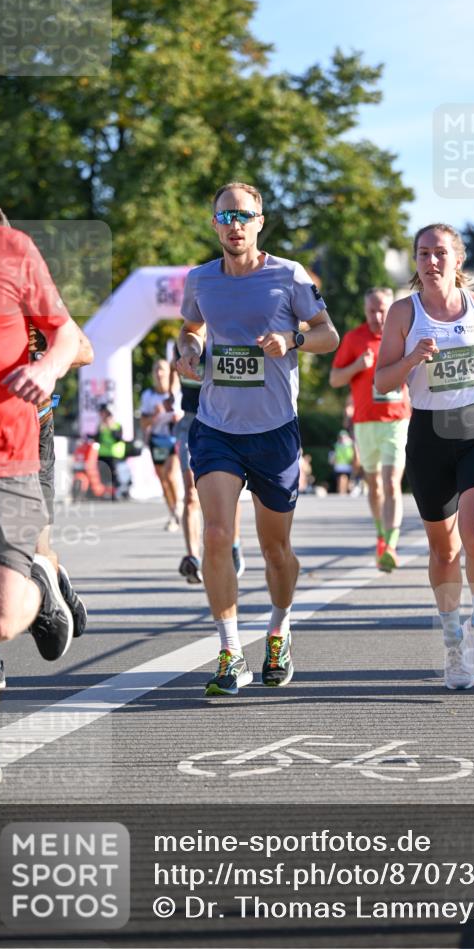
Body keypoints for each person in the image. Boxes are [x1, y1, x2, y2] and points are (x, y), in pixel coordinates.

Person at [177, 181, 338, 696]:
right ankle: (229, 652)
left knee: (276, 550)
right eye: (225, 218)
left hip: (274, 431)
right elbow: (191, 329)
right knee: (218, 535)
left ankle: (279, 629)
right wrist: (188, 349)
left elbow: (328, 335)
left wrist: (292, 339)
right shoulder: (200, 279)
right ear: (214, 223)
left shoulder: (288, 275)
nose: (234, 226)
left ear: (260, 221)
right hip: (216, 426)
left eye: (243, 216)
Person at [0, 143, 79, 792]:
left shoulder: (8, 250)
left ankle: (42, 575)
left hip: (3, 449)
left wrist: (46, 366)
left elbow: (65, 333)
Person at [375, 223, 474, 691]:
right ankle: (454, 642)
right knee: (444, 548)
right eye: (423, 254)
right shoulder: (402, 312)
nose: (430, 262)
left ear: (458, 259)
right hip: (428, 435)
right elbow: (382, 382)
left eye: (439, 253)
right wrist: (412, 358)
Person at [0, 199, 92, 691]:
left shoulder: (22, 283)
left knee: (33, 545)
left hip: (27, 435)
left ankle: (45, 584)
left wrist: (40, 358)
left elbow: (81, 346)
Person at [330, 287, 410, 571]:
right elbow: (335, 379)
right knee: (374, 487)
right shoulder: (354, 338)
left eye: (383, 310)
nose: (378, 316)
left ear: (392, 308)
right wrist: (356, 366)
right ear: (365, 311)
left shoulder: (403, 335)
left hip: (397, 421)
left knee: (390, 484)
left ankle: (390, 544)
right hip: (365, 423)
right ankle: (381, 534)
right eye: (372, 311)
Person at [171, 341, 245, 585]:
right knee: (191, 493)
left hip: (222, 419)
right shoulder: (182, 345)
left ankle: (233, 543)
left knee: (229, 491)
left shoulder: (224, 338)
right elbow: (175, 380)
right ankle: (192, 556)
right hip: (191, 421)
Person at [140, 358, 183, 531]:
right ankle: (173, 512)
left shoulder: (177, 395)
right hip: (157, 440)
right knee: (163, 480)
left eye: (162, 370)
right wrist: (154, 415)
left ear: (169, 373)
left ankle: (179, 505)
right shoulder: (148, 396)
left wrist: (177, 418)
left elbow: (185, 417)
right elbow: (144, 424)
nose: (159, 373)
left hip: (174, 439)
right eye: (156, 370)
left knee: (171, 474)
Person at [92, 404, 126, 499]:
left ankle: (116, 493)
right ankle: (106, 492)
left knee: (114, 474)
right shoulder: (100, 426)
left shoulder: (117, 425)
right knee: (103, 474)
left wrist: (111, 428)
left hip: (114, 454)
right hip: (102, 454)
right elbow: (97, 439)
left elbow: (118, 438)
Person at [329, 429, 354, 495]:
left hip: (348, 466)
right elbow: (333, 456)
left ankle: (343, 492)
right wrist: (332, 462)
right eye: (341, 437)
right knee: (340, 479)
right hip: (339, 466)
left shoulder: (351, 445)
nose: (342, 439)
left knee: (345, 479)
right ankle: (341, 492)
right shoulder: (336, 445)